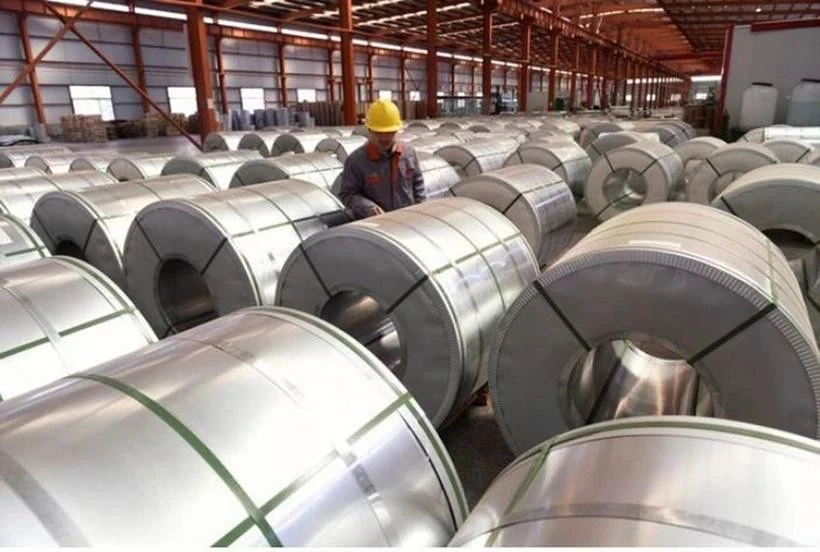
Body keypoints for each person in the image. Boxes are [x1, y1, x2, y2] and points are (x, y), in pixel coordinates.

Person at [339, 99, 425, 219]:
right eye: (379, 133)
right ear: (369, 130)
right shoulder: (357, 161)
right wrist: (367, 207)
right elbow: (347, 194)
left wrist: (421, 211)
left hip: (407, 222)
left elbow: (418, 183)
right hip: (375, 227)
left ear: (397, 130)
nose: (385, 138)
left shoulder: (408, 154)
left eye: (389, 132)